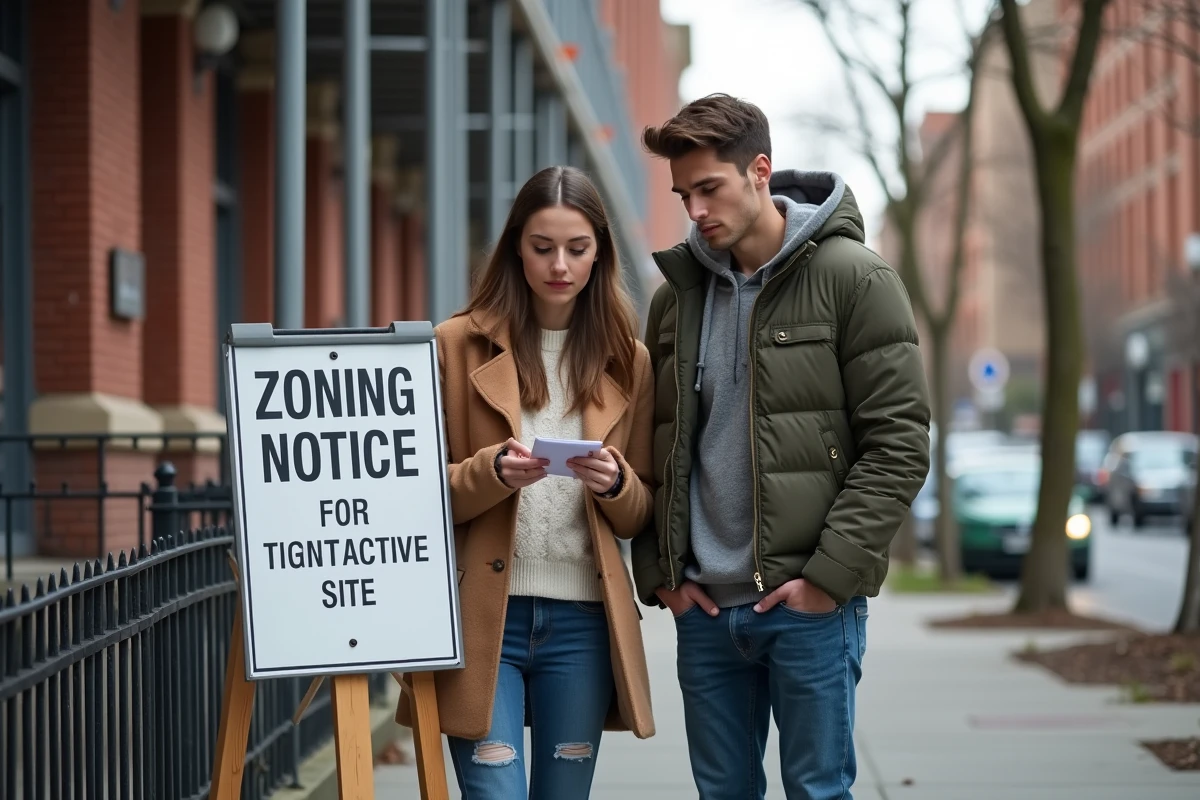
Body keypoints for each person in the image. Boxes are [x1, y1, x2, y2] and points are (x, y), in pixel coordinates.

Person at [633, 94, 931, 800]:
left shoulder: (855, 279)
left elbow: (899, 444)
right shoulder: (678, 298)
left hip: (807, 608)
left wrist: (828, 579)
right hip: (705, 609)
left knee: (817, 792)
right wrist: (662, 573)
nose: (696, 210)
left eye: (710, 188)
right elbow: (655, 444)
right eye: (684, 195)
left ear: (759, 170)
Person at [396, 165, 656, 799]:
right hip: (484, 618)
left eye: (577, 248)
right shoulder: (453, 346)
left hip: (584, 626)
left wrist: (615, 484)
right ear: (517, 245)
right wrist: (492, 473)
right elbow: (411, 496)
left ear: (601, 251)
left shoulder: (630, 358)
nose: (559, 265)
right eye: (543, 247)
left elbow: (643, 510)